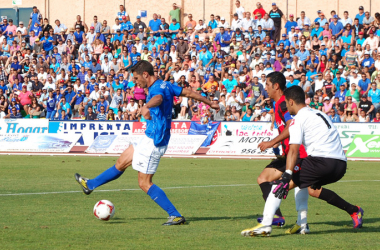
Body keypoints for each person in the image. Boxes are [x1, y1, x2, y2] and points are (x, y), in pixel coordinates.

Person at [74, 61, 219, 225]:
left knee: (144, 183)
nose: (136, 82)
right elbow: (188, 93)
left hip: (154, 141)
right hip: (148, 136)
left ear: (145, 75)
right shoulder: (166, 85)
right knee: (122, 162)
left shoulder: (156, 89)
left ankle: (175, 215)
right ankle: (91, 185)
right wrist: (210, 103)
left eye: (136, 78)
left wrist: (146, 106)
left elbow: (158, 98)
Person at [242, 85, 363, 237]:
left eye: (286, 102)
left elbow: (293, 149)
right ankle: (302, 223)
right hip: (340, 165)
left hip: (322, 163)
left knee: (279, 185)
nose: (286, 105)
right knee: (304, 185)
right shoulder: (319, 113)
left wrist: (286, 175)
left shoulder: (298, 119)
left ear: (291, 102)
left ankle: (266, 225)